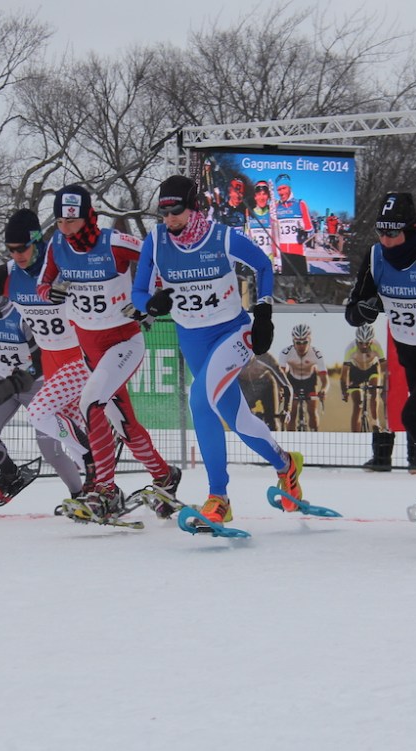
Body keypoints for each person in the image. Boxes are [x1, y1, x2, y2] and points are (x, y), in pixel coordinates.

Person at [132, 175, 304, 525]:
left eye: (176, 211)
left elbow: (262, 264)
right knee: (238, 419)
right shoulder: (155, 241)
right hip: (191, 338)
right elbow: (138, 293)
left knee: (198, 400)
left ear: (193, 207)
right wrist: (152, 304)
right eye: (164, 213)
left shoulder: (221, 236)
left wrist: (264, 310)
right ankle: (286, 465)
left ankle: (219, 498)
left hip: (232, 332)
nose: (170, 220)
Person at [37, 185, 181, 521]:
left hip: (123, 343)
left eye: (73, 221)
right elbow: (42, 284)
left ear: (89, 216)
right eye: (60, 221)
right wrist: (50, 293)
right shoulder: (57, 245)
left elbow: (158, 262)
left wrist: (148, 302)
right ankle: (164, 476)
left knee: (90, 404)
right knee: (125, 424)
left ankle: (104, 488)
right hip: (91, 350)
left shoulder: (114, 242)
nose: (66, 229)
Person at [0, 227, 87, 506]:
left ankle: (80, 492)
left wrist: (19, 379)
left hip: (34, 383)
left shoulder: (20, 310)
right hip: (2, 383)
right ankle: (10, 474)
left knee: (50, 449)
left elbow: (42, 357)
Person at [345, 192, 416, 493]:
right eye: (380, 231)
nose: (385, 239)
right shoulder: (375, 257)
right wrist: (364, 311)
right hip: (410, 353)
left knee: (414, 415)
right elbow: (352, 313)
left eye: (392, 232)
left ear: (410, 230)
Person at [0, 209, 97, 504]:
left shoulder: (57, 266)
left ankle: (94, 464)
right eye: (11, 250)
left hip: (79, 356)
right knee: (71, 426)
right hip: (51, 360)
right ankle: (99, 488)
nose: (17, 255)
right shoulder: (10, 274)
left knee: (40, 413)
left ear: (37, 241)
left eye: (22, 247)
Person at [340, 324, 390, 467]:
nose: (363, 345)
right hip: (356, 372)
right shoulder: (350, 348)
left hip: (372, 370)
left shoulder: (376, 346)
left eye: (367, 343)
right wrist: (344, 390)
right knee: (358, 404)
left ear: (371, 341)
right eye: (360, 343)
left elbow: (384, 366)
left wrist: (385, 382)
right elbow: (344, 374)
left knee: (374, 393)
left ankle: (375, 423)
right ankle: (355, 436)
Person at [279, 323, 327, 431]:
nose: (301, 346)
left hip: (310, 381)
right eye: (298, 342)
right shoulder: (285, 352)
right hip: (292, 381)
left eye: (305, 342)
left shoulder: (317, 353)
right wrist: (280, 390)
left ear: (310, 341)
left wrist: (323, 390)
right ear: (293, 342)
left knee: (312, 411)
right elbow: (280, 375)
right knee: (292, 411)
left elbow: (324, 379)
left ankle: (314, 434)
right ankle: (291, 440)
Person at [238, 350, 291, 431]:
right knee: (241, 420)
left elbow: (286, 385)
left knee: (273, 419)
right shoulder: (231, 360)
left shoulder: (266, 358)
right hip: (243, 386)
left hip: (266, 384)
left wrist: (287, 409)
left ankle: (276, 435)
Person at [272, 173, 314, 275]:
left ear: (289, 188)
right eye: (279, 190)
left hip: (298, 252)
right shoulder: (276, 207)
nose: (281, 192)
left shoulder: (300, 204)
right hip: (283, 254)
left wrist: (304, 235)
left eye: (284, 188)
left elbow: (311, 230)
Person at [247, 180, 280, 271]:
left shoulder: (272, 213)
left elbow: (277, 239)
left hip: (269, 260)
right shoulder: (249, 213)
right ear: (255, 197)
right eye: (259, 194)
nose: (262, 197)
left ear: (268, 196)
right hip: (254, 260)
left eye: (264, 194)